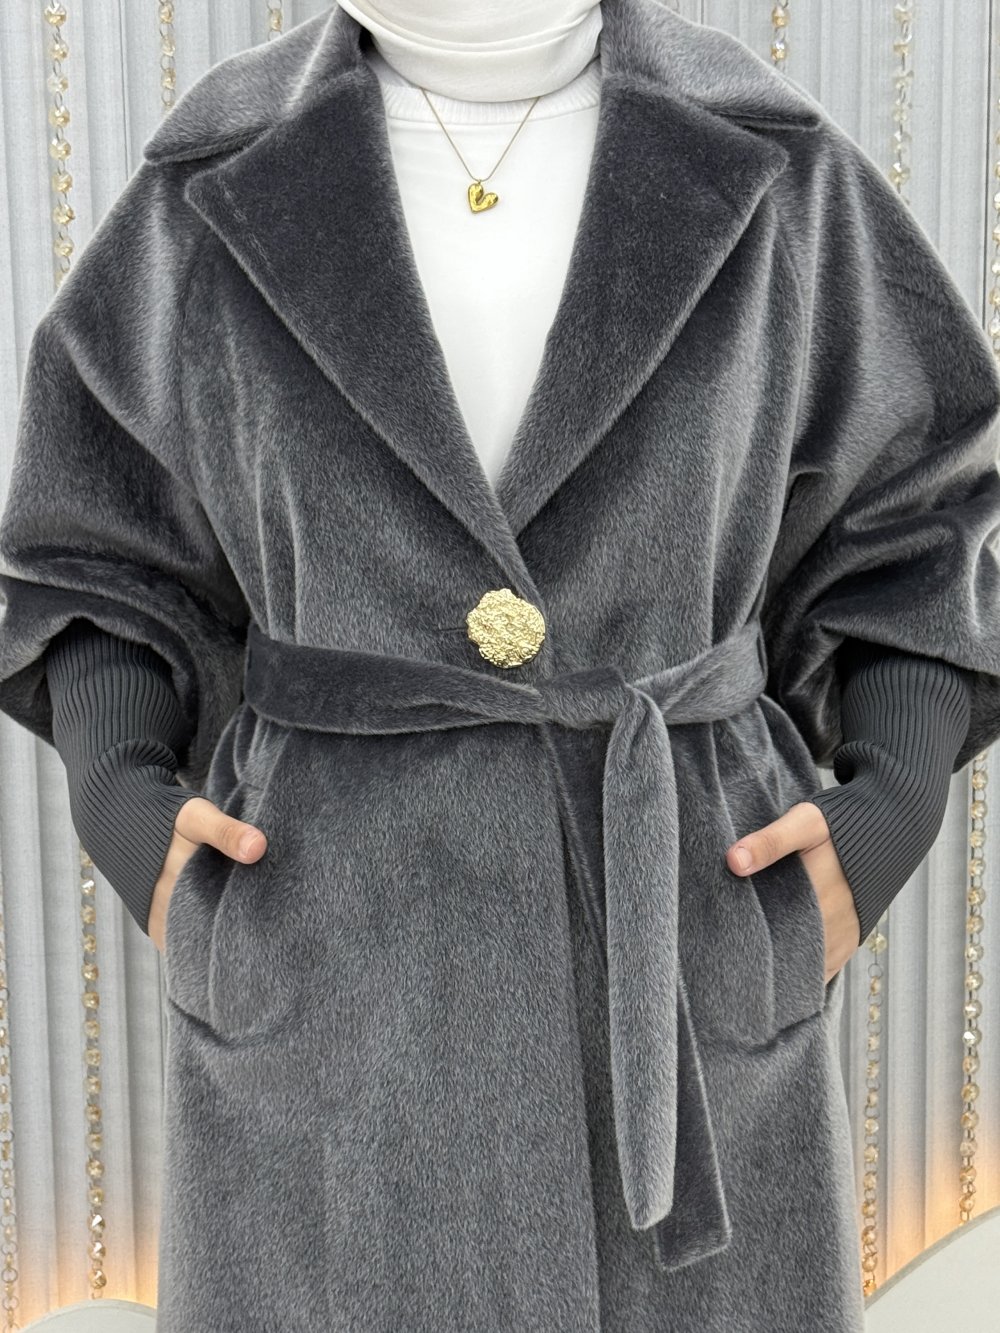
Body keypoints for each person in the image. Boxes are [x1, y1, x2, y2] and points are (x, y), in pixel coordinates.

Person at [0, 0, 997, 1327]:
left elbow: (917, 518)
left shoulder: (773, 165)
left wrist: (891, 809)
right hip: (327, 966)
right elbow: (99, 543)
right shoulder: (212, 182)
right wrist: (127, 802)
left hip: (686, 948)